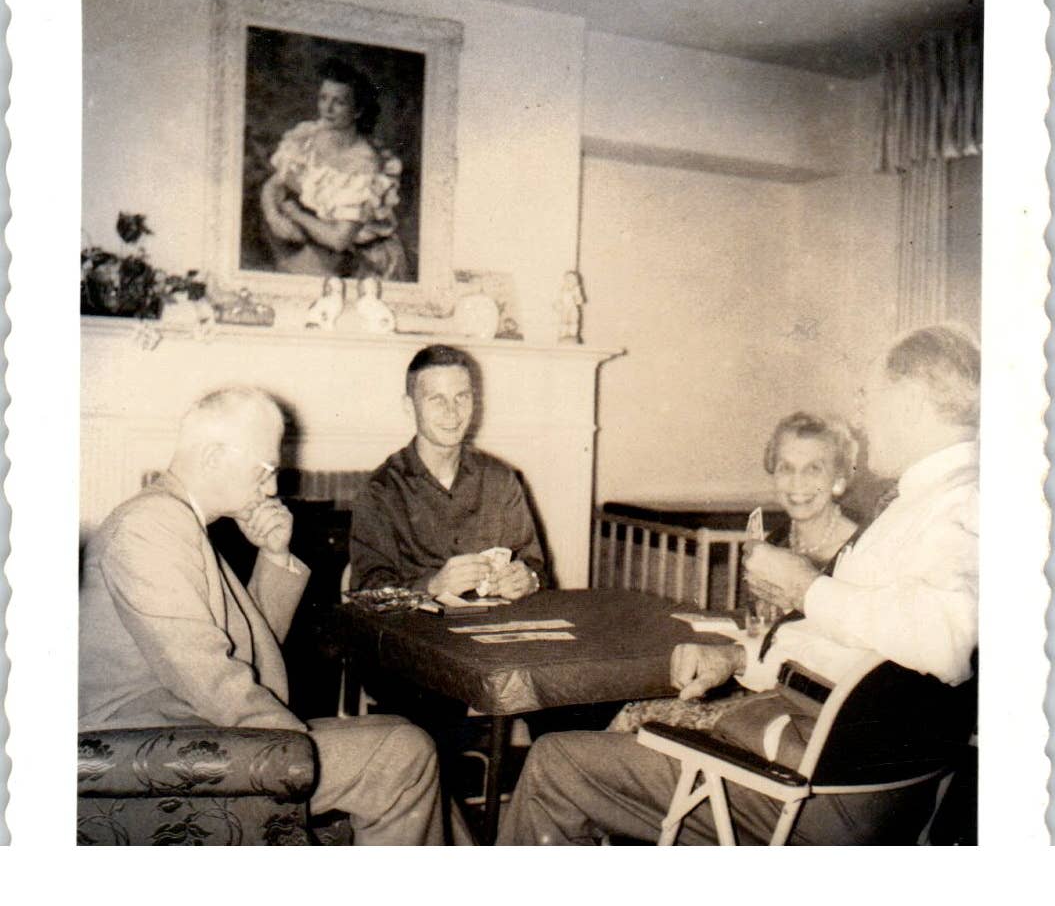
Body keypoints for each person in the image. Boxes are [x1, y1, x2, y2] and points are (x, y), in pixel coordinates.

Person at [498, 323, 979, 846]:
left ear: (909, 403)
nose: (861, 419)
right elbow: (851, 645)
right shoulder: (920, 502)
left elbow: (946, 641)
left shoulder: (966, 503)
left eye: (869, 398)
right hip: (828, 764)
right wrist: (738, 661)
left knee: (557, 763)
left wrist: (807, 587)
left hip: (818, 794)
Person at [79, 386, 443, 845]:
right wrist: (294, 749)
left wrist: (273, 555)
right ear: (214, 457)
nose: (272, 488)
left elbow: (246, 655)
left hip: (189, 735)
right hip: (157, 755)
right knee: (403, 753)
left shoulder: (177, 521)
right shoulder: (151, 527)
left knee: (404, 738)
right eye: (266, 468)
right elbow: (212, 682)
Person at [608, 410, 861, 734]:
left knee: (640, 716)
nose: (797, 482)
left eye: (814, 469)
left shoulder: (859, 548)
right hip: (756, 679)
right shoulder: (774, 541)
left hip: (806, 709)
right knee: (639, 704)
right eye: (786, 468)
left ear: (839, 478)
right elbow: (759, 626)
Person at [349, 344, 548, 599]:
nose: (452, 412)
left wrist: (528, 579)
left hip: (492, 627)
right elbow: (368, 590)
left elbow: (536, 567)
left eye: (461, 397)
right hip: (414, 631)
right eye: (437, 399)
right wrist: (431, 587)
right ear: (409, 407)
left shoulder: (501, 480)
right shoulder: (380, 491)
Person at [260, 56, 409, 281]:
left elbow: (339, 240)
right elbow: (275, 183)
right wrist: (273, 216)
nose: (327, 109)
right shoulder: (309, 136)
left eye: (338, 102)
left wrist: (295, 214)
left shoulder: (363, 164)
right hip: (319, 243)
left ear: (357, 111)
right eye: (323, 98)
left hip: (362, 261)